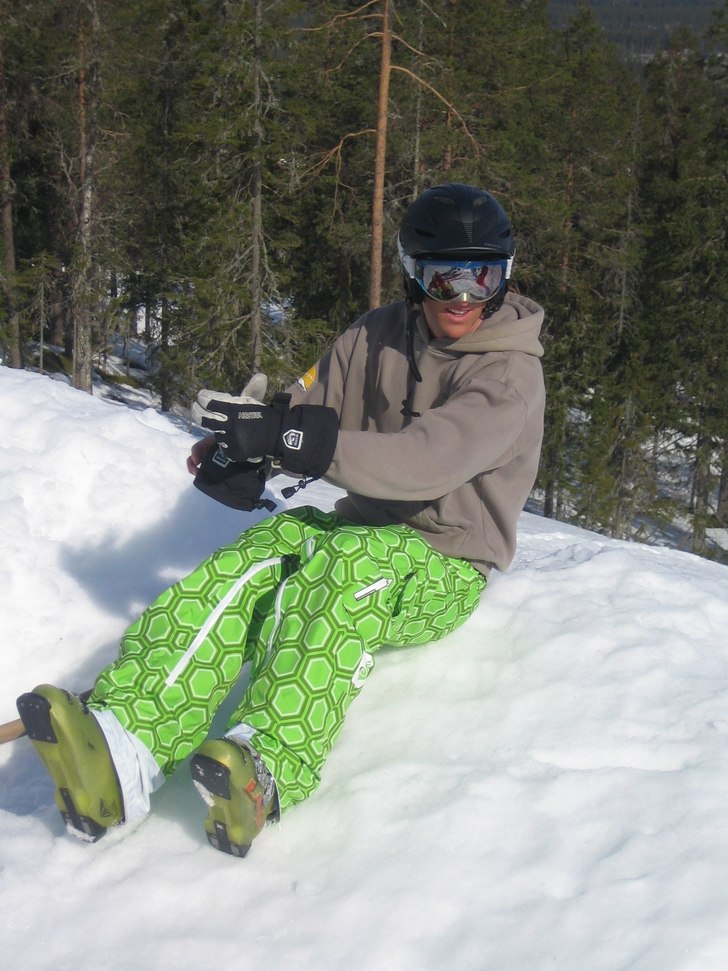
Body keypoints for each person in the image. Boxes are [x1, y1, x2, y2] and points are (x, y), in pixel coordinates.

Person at [17, 183, 545, 858]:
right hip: (362, 524)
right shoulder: (375, 334)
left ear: (504, 274)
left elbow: (427, 461)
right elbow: (310, 393)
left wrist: (304, 444)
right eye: (444, 277)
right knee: (262, 549)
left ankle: (265, 764)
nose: (464, 298)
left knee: (350, 569)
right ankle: (127, 742)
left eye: (483, 276)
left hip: (447, 561)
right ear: (413, 273)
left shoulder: (510, 377)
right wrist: (253, 440)